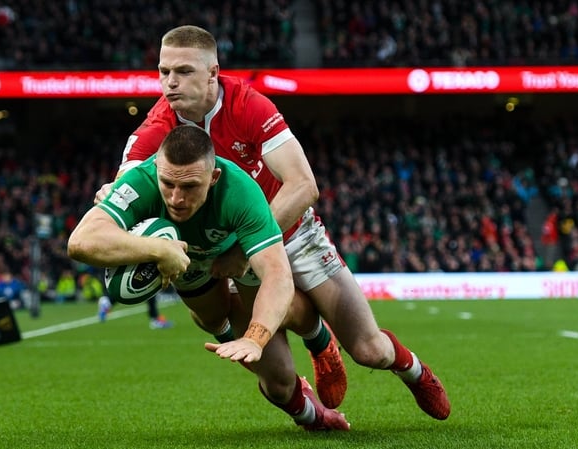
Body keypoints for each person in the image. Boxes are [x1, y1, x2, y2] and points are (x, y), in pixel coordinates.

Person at [99, 25, 450, 420]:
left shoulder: (248, 105)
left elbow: (303, 185)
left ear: (213, 72)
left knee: (370, 349)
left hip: (292, 232)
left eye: (183, 71)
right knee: (248, 348)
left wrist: (243, 249)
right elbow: (122, 187)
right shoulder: (156, 127)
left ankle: (414, 371)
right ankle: (316, 346)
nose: (170, 83)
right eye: (163, 72)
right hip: (218, 245)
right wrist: (112, 200)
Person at [69, 125, 350, 431]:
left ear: (213, 178)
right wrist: (159, 249)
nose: (176, 198)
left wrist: (256, 337)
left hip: (238, 257)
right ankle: (312, 417)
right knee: (223, 330)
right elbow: (80, 242)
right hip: (184, 257)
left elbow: (278, 275)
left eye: (189, 186)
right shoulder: (142, 181)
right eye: (167, 184)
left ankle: (319, 339)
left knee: (285, 323)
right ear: (157, 171)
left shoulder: (240, 191)